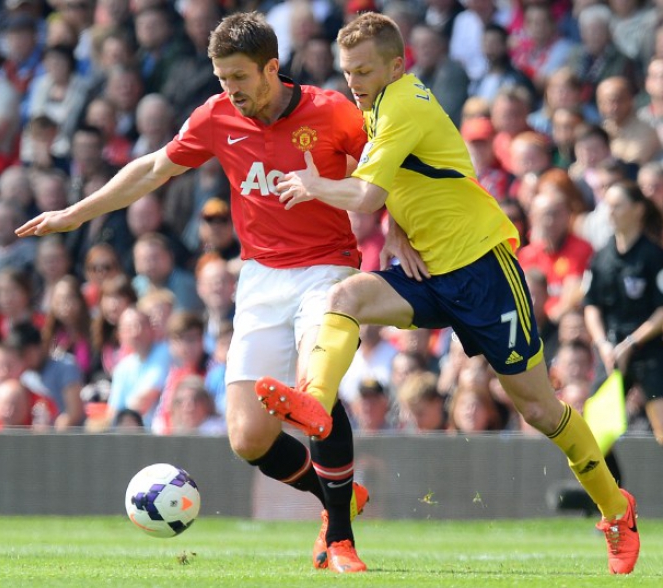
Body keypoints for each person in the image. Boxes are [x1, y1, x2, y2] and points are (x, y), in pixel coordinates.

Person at [255, 12, 639, 575]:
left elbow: (365, 194)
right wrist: (398, 228)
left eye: (364, 70)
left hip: (483, 269)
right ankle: (316, 398)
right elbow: (410, 177)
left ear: (397, 64)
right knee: (345, 299)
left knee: (537, 407)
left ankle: (615, 508)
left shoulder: (405, 102)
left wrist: (316, 186)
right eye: (347, 71)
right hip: (429, 271)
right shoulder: (376, 104)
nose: (354, 80)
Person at [15, 12, 373, 573]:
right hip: (258, 279)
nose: (230, 89)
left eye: (240, 78)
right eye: (221, 78)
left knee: (314, 393)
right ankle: (338, 494)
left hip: (325, 270)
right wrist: (74, 214)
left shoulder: (332, 112)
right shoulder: (216, 116)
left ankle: (342, 537)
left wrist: (394, 224)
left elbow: (384, 172)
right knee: (248, 437)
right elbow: (153, 169)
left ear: (272, 68)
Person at [583, 181, 663, 524]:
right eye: (608, 205)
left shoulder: (652, 256)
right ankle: (617, 508)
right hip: (611, 355)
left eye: (617, 205)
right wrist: (604, 344)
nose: (610, 212)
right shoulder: (602, 256)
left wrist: (632, 343)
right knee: (596, 433)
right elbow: (590, 307)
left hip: (646, 351)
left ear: (637, 209)